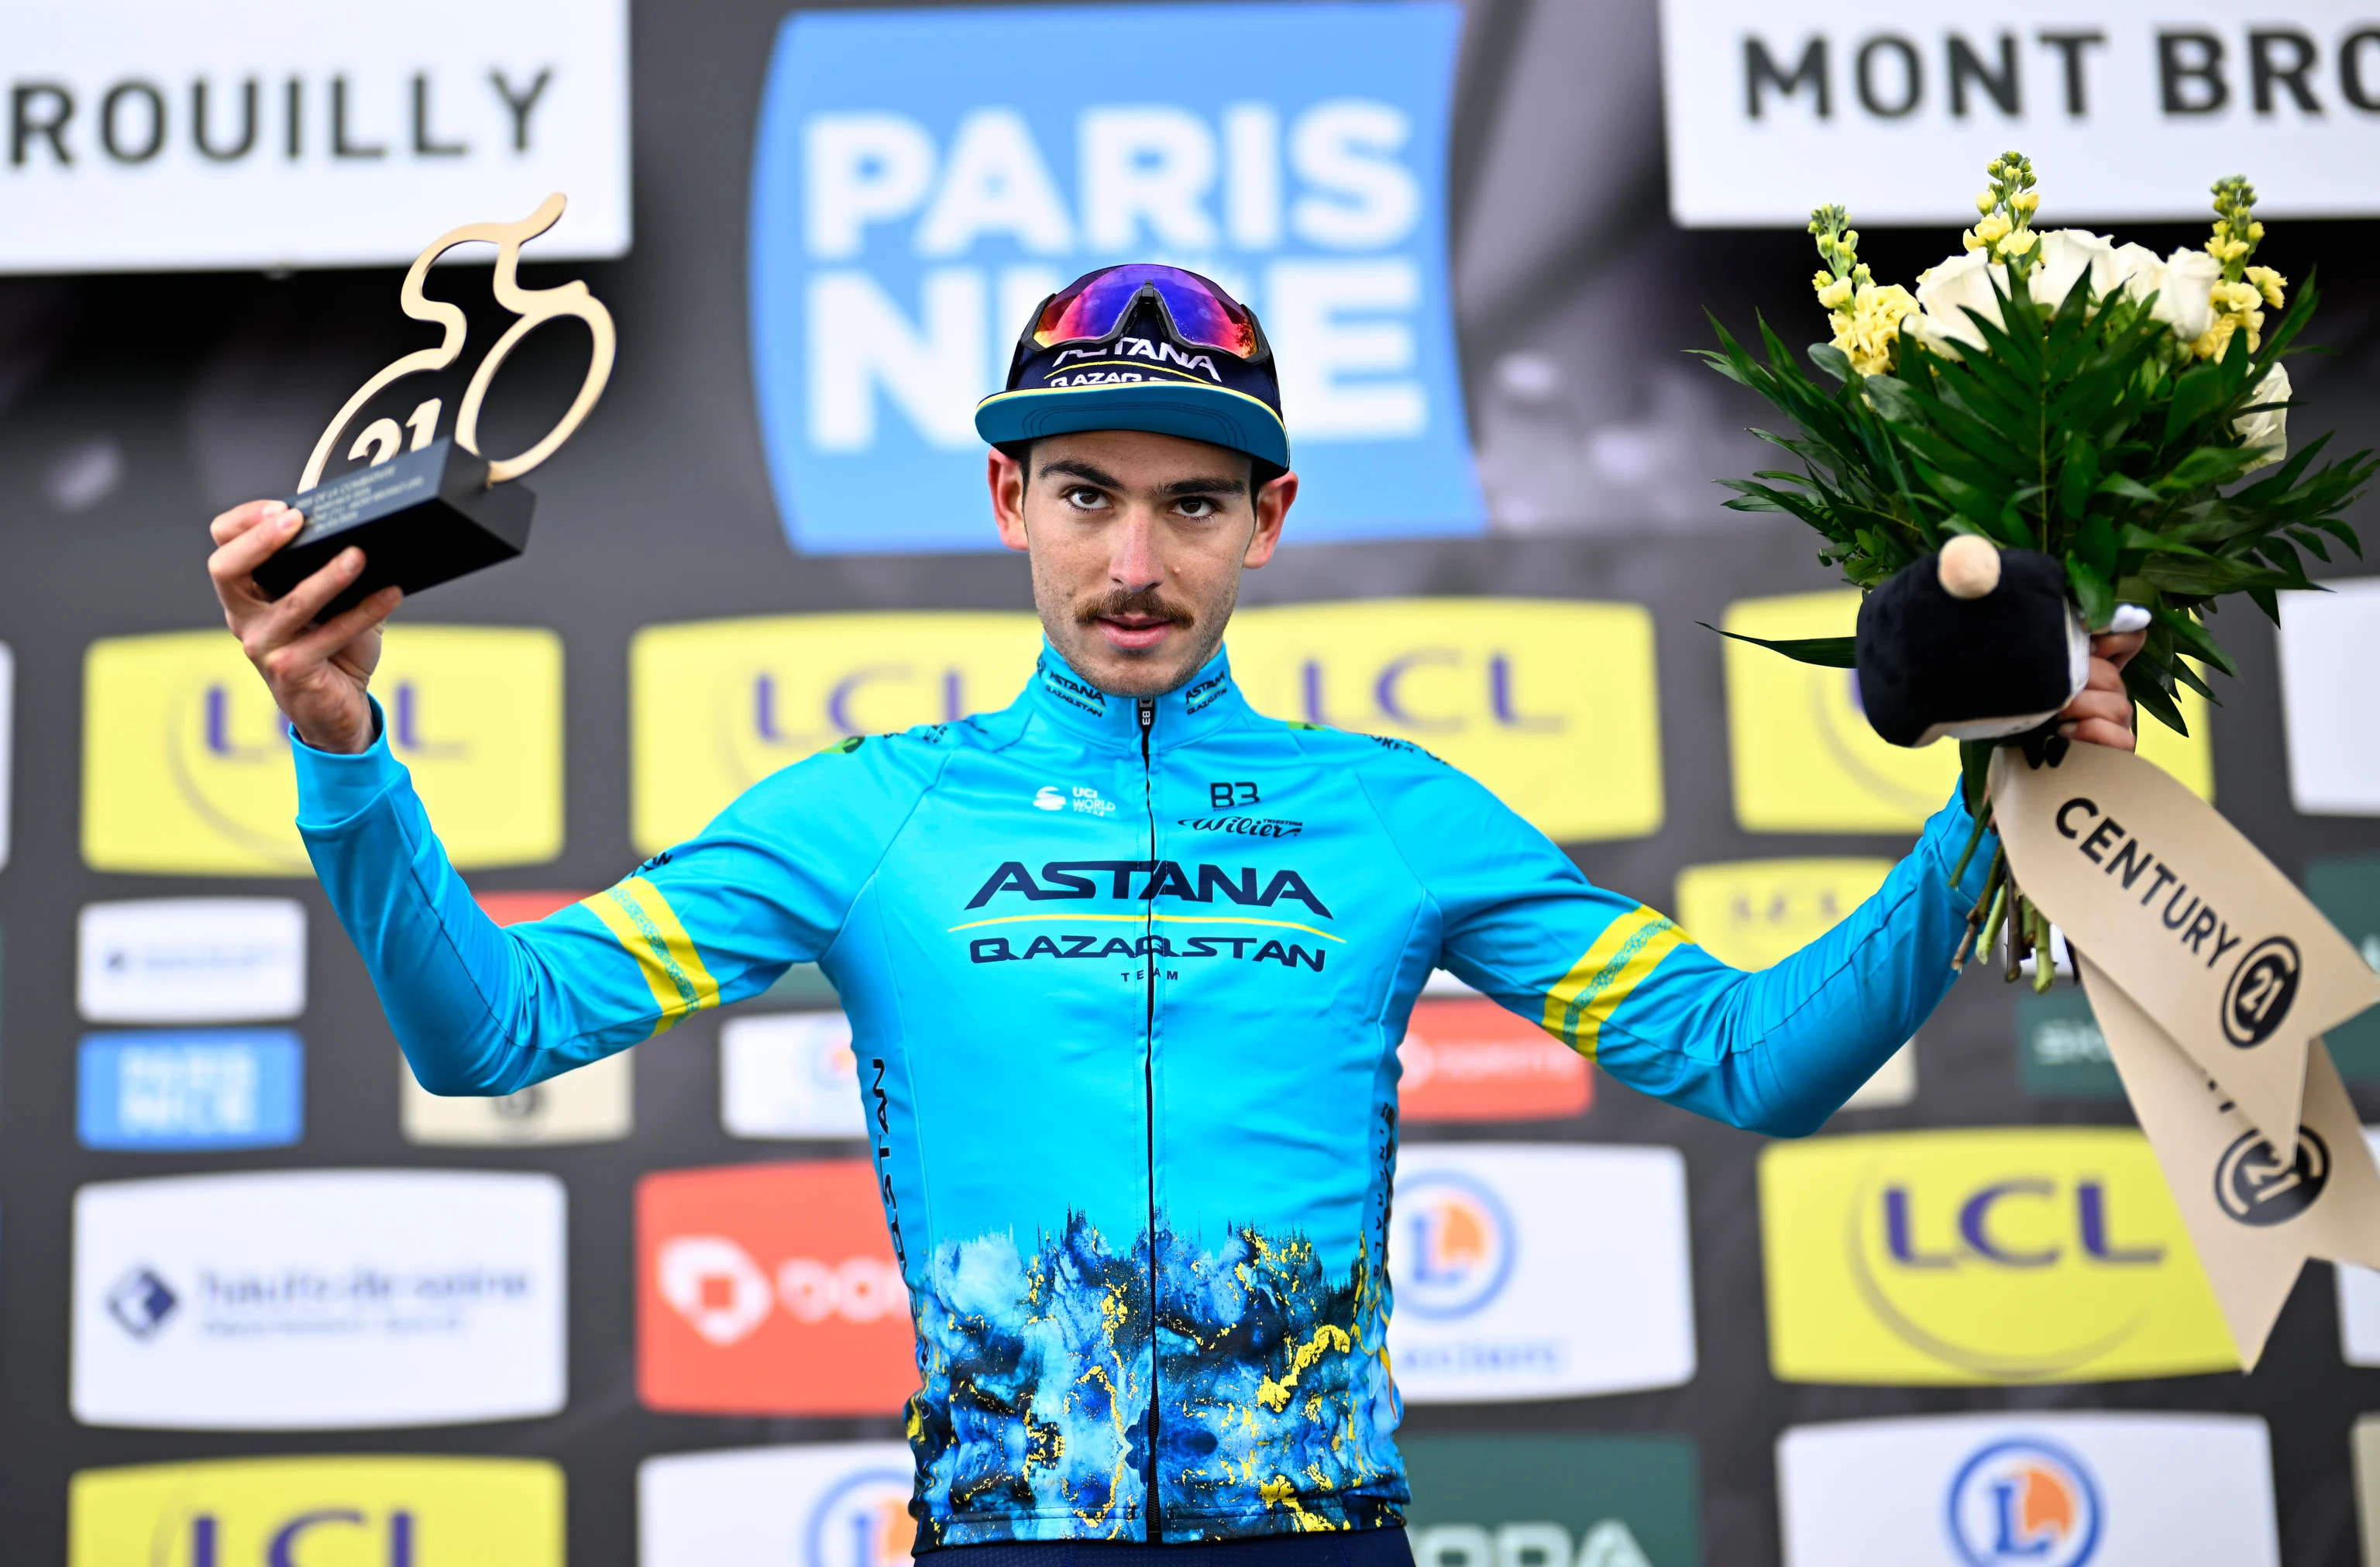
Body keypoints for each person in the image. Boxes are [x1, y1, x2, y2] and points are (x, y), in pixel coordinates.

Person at [206, 264, 2143, 1556]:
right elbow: (491, 1033)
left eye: (1194, 506)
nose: (1135, 563)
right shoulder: (873, 811)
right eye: (1083, 496)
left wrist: (2001, 800)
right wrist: (341, 745)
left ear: (1271, 518)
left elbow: (1753, 1065)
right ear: (1004, 499)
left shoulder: (1394, 815)